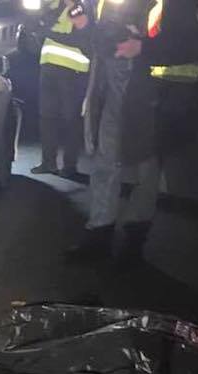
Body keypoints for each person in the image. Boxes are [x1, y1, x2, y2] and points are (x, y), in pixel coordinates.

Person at [116, 0, 198, 259]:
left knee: (150, 164)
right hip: (155, 95)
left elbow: (183, 45)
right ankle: (135, 228)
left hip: (170, 97)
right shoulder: (153, 4)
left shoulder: (181, 6)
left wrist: (141, 47)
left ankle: (135, 237)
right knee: (146, 163)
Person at [65, 0, 147, 257]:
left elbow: (115, 39)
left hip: (131, 80)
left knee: (132, 163)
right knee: (107, 159)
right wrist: (81, 18)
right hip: (112, 77)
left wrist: (84, 23)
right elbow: (98, 38)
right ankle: (105, 230)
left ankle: (127, 234)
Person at [31, 0, 94, 181]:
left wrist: (49, 33)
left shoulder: (79, 7)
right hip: (48, 67)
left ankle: (69, 166)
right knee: (47, 117)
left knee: (70, 120)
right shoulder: (53, 5)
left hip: (72, 71)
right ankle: (48, 162)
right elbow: (39, 28)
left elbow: (83, 38)